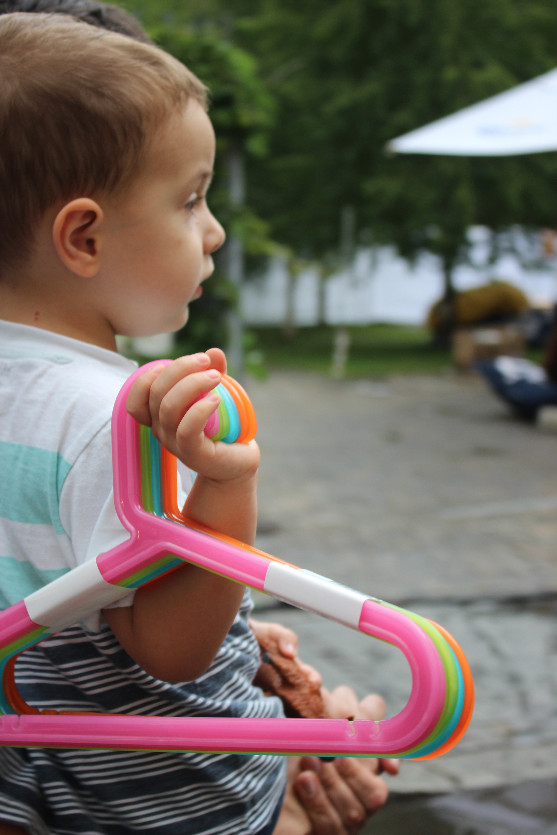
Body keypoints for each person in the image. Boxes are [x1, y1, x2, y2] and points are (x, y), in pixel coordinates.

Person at [0, 12, 398, 835]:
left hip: (36, 777)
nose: (213, 230)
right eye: (189, 200)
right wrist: (227, 486)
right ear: (83, 235)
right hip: (170, 796)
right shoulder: (118, 414)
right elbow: (170, 650)